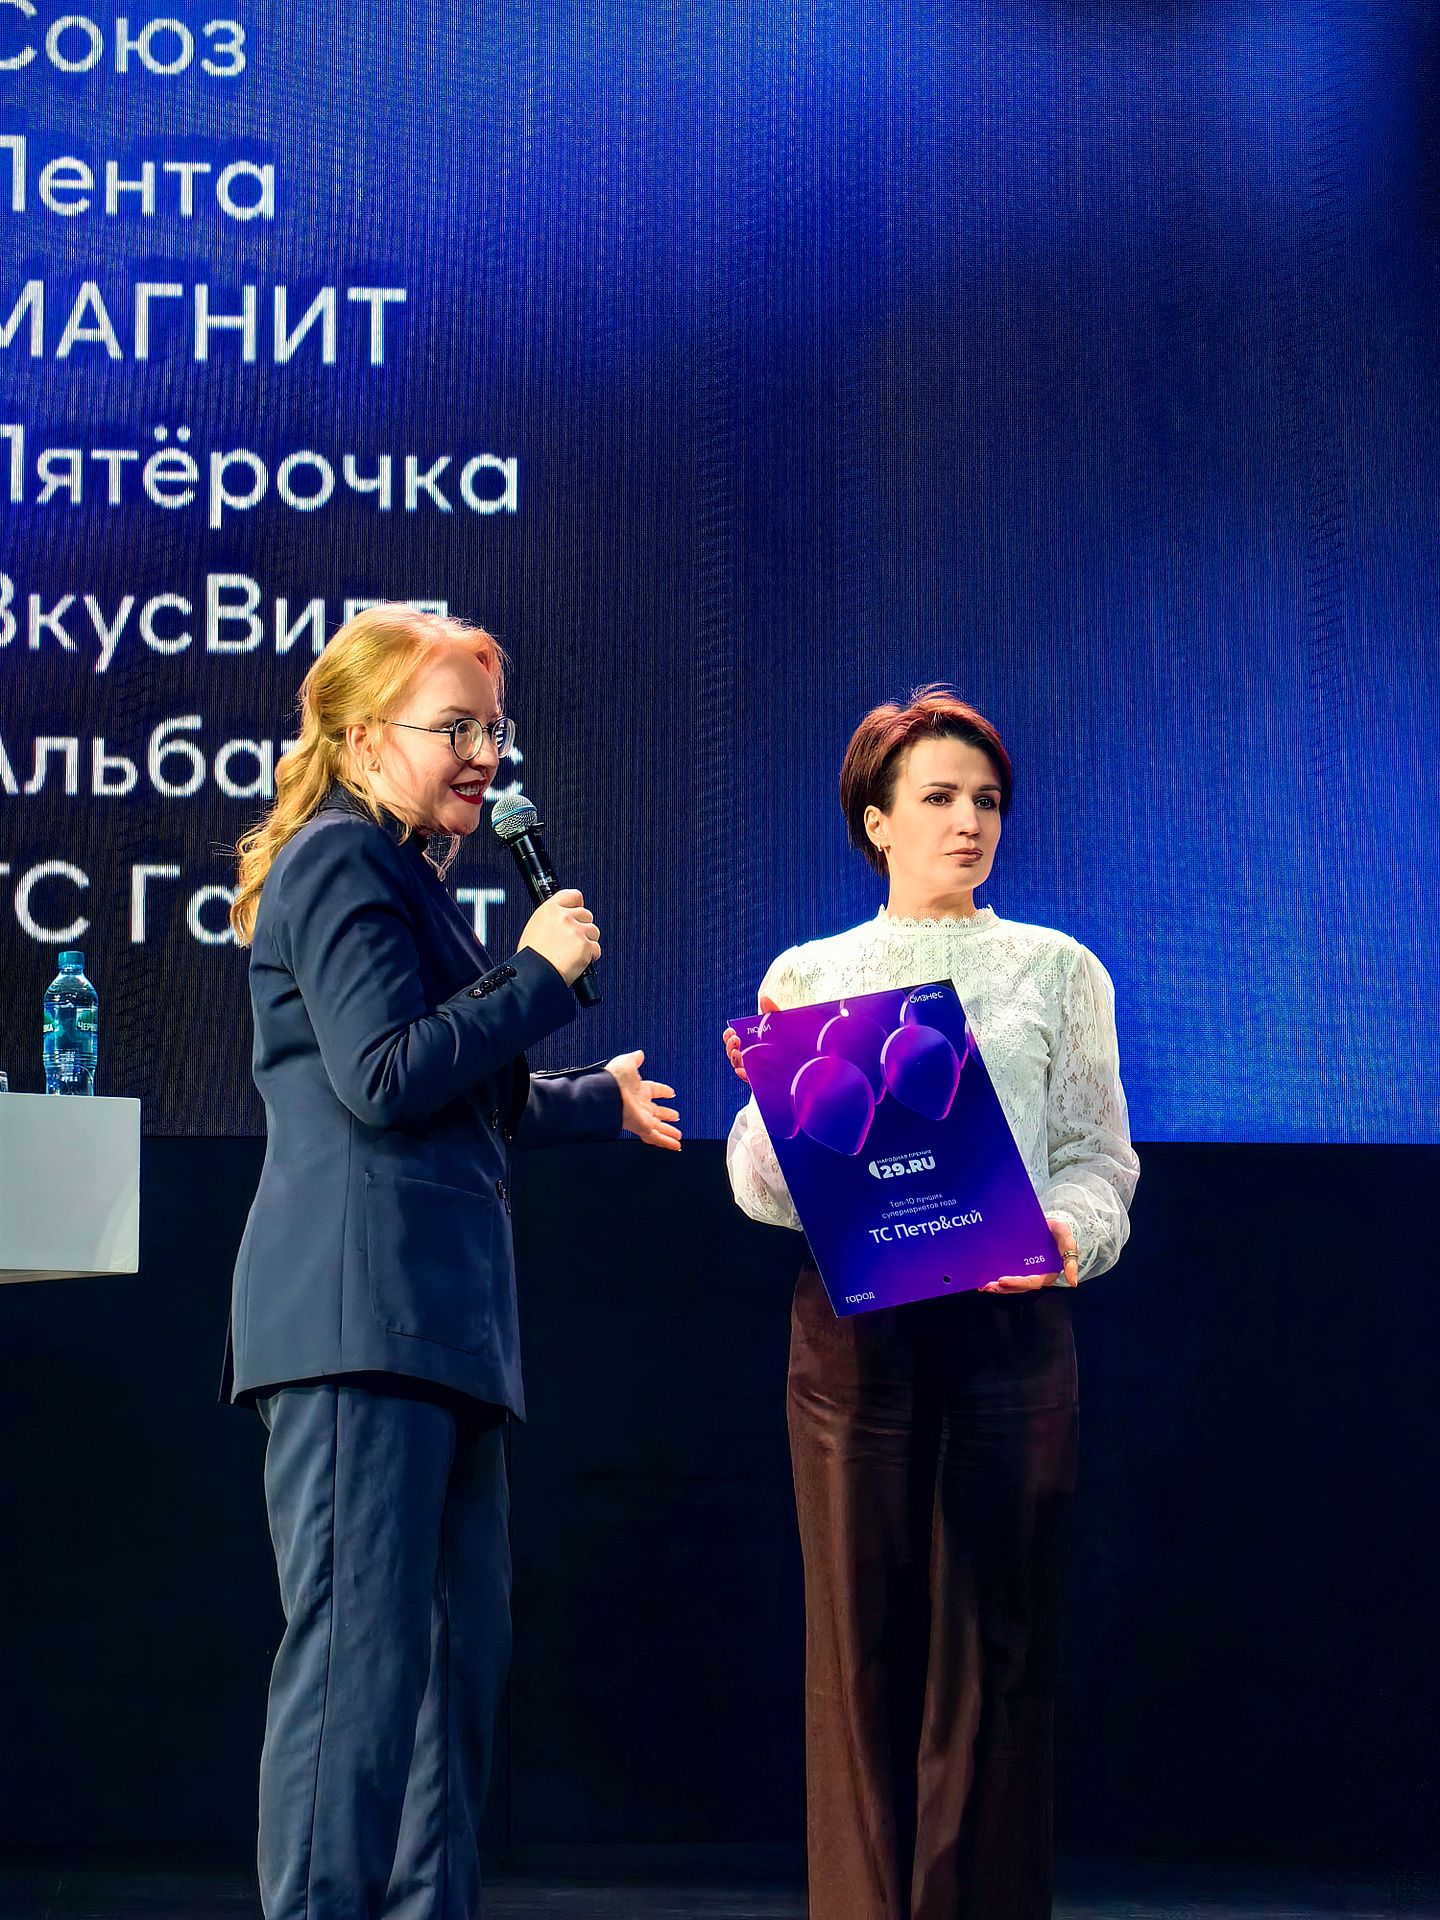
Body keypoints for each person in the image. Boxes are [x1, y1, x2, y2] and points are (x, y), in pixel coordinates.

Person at [225, 605, 681, 1920]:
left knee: (451, 1675)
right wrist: (534, 978)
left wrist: (595, 1097)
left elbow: (458, 1086)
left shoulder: (406, 874)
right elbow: (381, 1077)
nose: (486, 755)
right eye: (456, 728)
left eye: (494, 728)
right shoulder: (336, 862)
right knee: (359, 1679)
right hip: (359, 1323)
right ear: (367, 740)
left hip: (439, 1329)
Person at [724, 687, 1138, 1920]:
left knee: (993, 1652)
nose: (970, 822)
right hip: (858, 1345)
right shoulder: (810, 974)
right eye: (941, 798)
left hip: (1009, 1336)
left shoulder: (1058, 968)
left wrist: (1067, 1234)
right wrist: (777, 1105)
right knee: (858, 1653)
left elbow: (1100, 1161)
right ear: (877, 820)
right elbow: (761, 1190)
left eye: (987, 801)